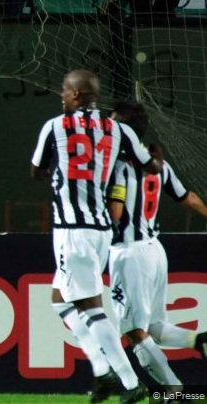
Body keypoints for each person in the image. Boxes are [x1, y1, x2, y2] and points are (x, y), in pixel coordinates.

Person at [30, 69, 163, 404]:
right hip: (101, 228)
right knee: (61, 299)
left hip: (72, 229)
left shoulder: (55, 126)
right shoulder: (118, 130)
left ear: (75, 94)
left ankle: (130, 382)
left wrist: (62, 176)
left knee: (90, 307)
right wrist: (154, 157)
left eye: (64, 90)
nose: (61, 95)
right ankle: (102, 371)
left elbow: (35, 170)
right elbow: (150, 166)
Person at [106, 100, 207, 396]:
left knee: (134, 333)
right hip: (154, 251)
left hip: (129, 254)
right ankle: (199, 341)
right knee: (155, 327)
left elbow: (115, 213)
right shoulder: (159, 166)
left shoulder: (120, 166)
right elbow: (188, 198)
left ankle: (173, 391)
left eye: (112, 124)